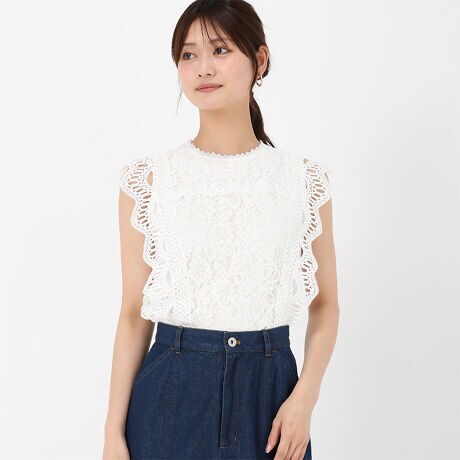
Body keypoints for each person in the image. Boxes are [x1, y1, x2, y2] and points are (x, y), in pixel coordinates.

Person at [103, 1, 339, 459]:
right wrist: (113, 433)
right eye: (188, 54)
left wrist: (305, 398)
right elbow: (134, 313)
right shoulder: (148, 181)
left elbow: (326, 303)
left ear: (260, 60)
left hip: (272, 401)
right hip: (170, 398)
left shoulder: (304, 181)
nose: (203, 68)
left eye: (220, 50)